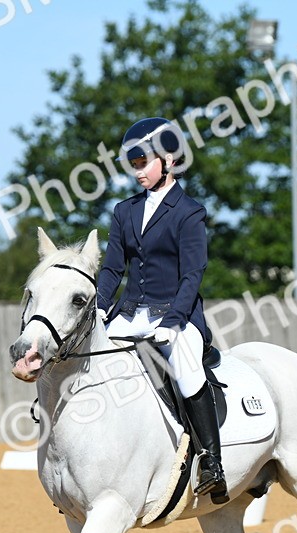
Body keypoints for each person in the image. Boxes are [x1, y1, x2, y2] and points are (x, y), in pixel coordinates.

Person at [97, 117, 228, 504]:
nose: (137, 172)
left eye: (143, 163)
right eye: (133, 165)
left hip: (176, 314)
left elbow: (193, 274)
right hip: (130, 312)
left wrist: (173, 322)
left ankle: (211, 462)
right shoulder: (124, 211)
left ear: (168, 159)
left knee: (187, 372)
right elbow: (112, 270)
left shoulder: (189, 212)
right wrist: (99, 309)